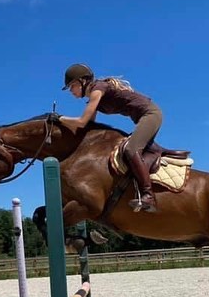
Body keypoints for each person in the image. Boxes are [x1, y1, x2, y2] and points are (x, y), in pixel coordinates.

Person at [57, 63, 162, 213]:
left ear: (83, 81)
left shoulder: (98, 89)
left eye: (72, 86)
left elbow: (82, 121)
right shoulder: (95, 98)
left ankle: (148, 195)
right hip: (142, 118)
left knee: (131, 149)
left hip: (150, 114)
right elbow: (88, 126)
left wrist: (60, 119)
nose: (71, 91)